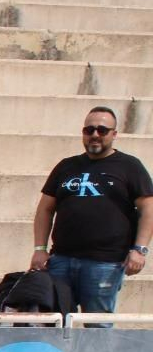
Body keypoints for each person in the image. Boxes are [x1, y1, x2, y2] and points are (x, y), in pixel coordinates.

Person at [30, 106, 151, 319]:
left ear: (114, 134)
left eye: (102, 130)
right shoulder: (66, 166)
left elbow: (148, 208)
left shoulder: (130, 166)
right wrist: (40, 248)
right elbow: (45, 209)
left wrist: (139, 249)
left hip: (105, 264)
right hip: (61, 260)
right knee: (55, 323)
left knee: (97, 326)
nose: (95, 135)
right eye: (89, 130)